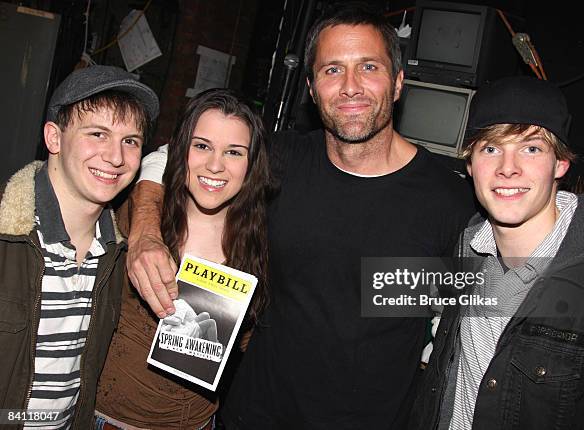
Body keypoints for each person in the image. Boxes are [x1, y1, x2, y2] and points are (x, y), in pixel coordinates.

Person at [124, 3, 475, 428]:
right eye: (331, 70)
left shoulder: (451, 199)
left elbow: (475, 321)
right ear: (311, 88)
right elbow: (176, 158)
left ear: (399, 83)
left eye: (368, 67)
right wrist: (144, 230)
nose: (350, 87)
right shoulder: (281, 159)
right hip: (250, 416)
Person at [410, 76, 584, 429]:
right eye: (490, 148)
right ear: (470, 164)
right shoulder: (465, 249)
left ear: (560, 164)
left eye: (531, 148)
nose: (508, 168)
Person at [95, 88, 271, 430]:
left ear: (252, 164)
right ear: (180, 149)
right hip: (105, 419)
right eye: (202, 146)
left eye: (234, 152)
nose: (215, 165)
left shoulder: (260, 243)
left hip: (196, 423)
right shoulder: (134, 215)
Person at [0, 65, 158, 429]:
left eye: (130, 140)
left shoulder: (118, 257)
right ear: (54, 138)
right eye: (98, 134)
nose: (115, 157)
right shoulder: (9, 237)